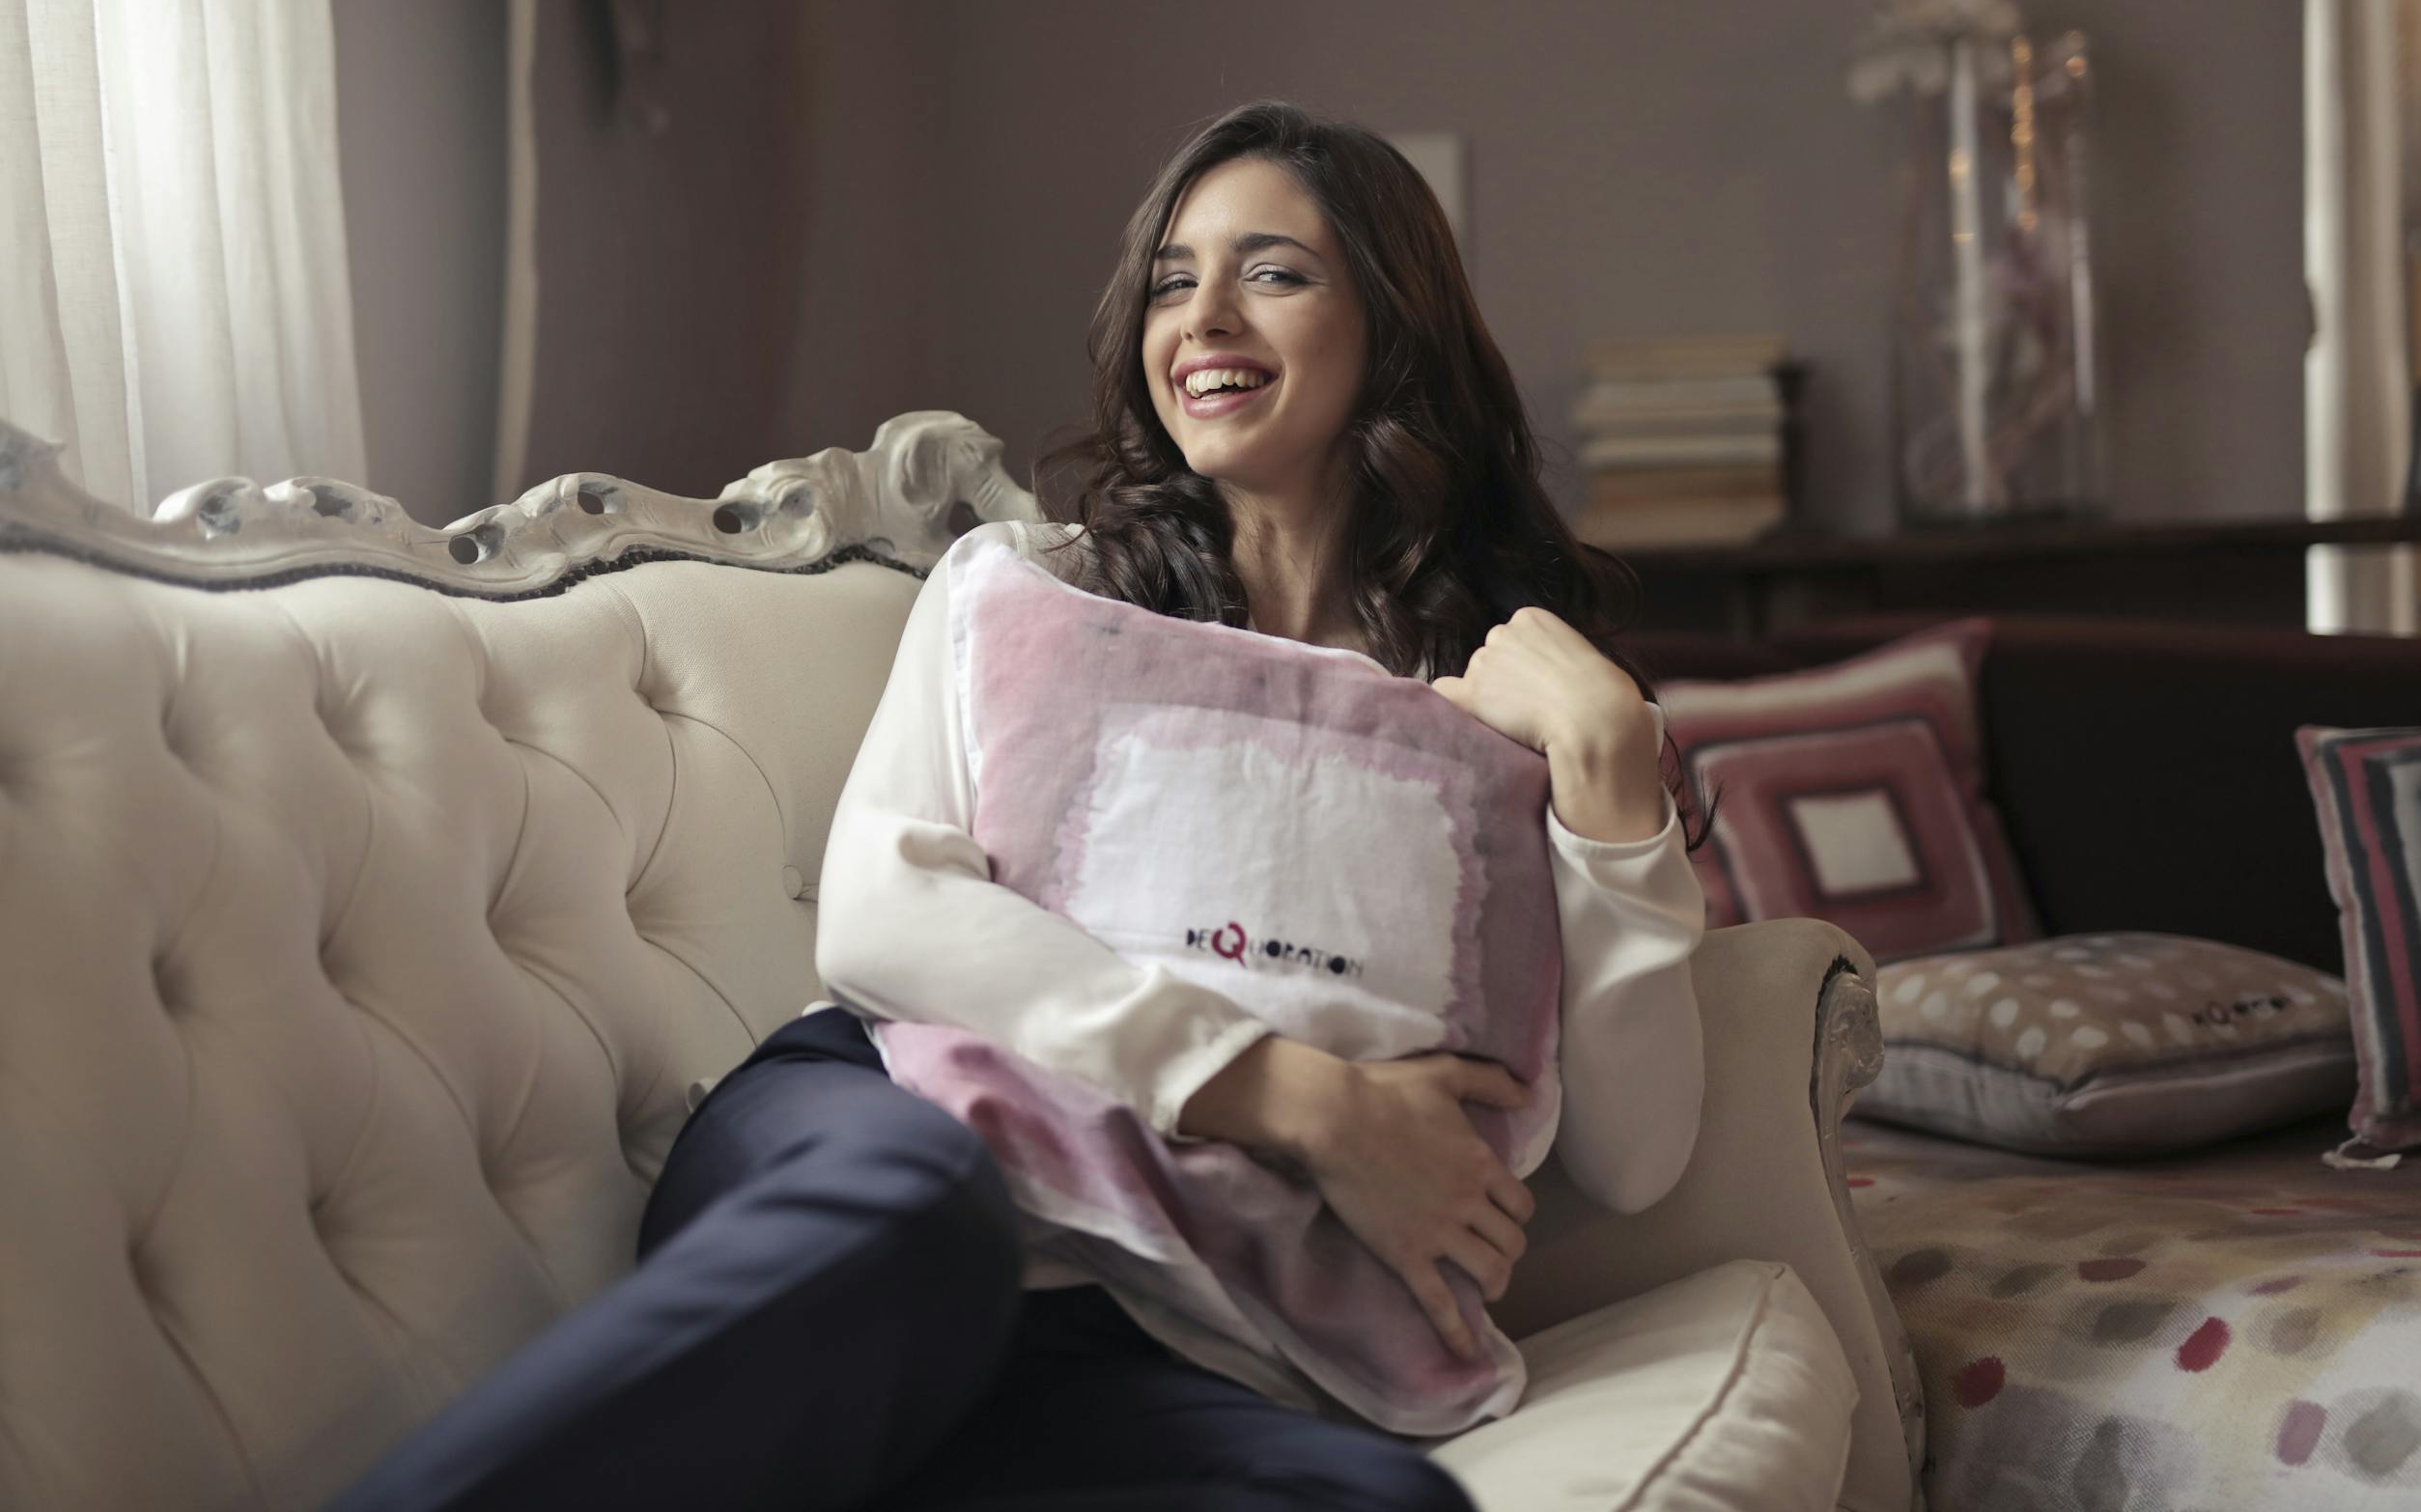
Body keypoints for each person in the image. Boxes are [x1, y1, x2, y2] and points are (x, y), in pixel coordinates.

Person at [327, 100, 1705, 1512]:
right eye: (1174, 279)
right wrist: (1307, 1102)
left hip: (1151, 1329)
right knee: (919, 1223)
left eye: (1274, 272)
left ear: (1395, 327)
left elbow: (1638, 1155)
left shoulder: (1495, 704)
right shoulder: (1039, 590)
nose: (1206, 317)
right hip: (892, 1144)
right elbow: (881, 912)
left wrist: (1610, 782)